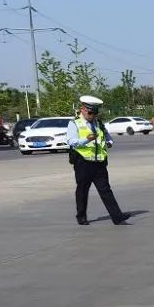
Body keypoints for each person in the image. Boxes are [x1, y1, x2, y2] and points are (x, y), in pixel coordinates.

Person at [67, 95, 131, 226]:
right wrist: (86, 140)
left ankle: (117, 217)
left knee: (105, 190)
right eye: (90, 113)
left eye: (95, 113)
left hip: (99, 162)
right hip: (83, 162)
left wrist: (109, 141)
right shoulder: (74, 123)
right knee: (82, 190)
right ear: (82, 110)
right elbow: (71, 141)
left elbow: (106, 135)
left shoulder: (98, 123)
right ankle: (81, 216)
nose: (92, 116)